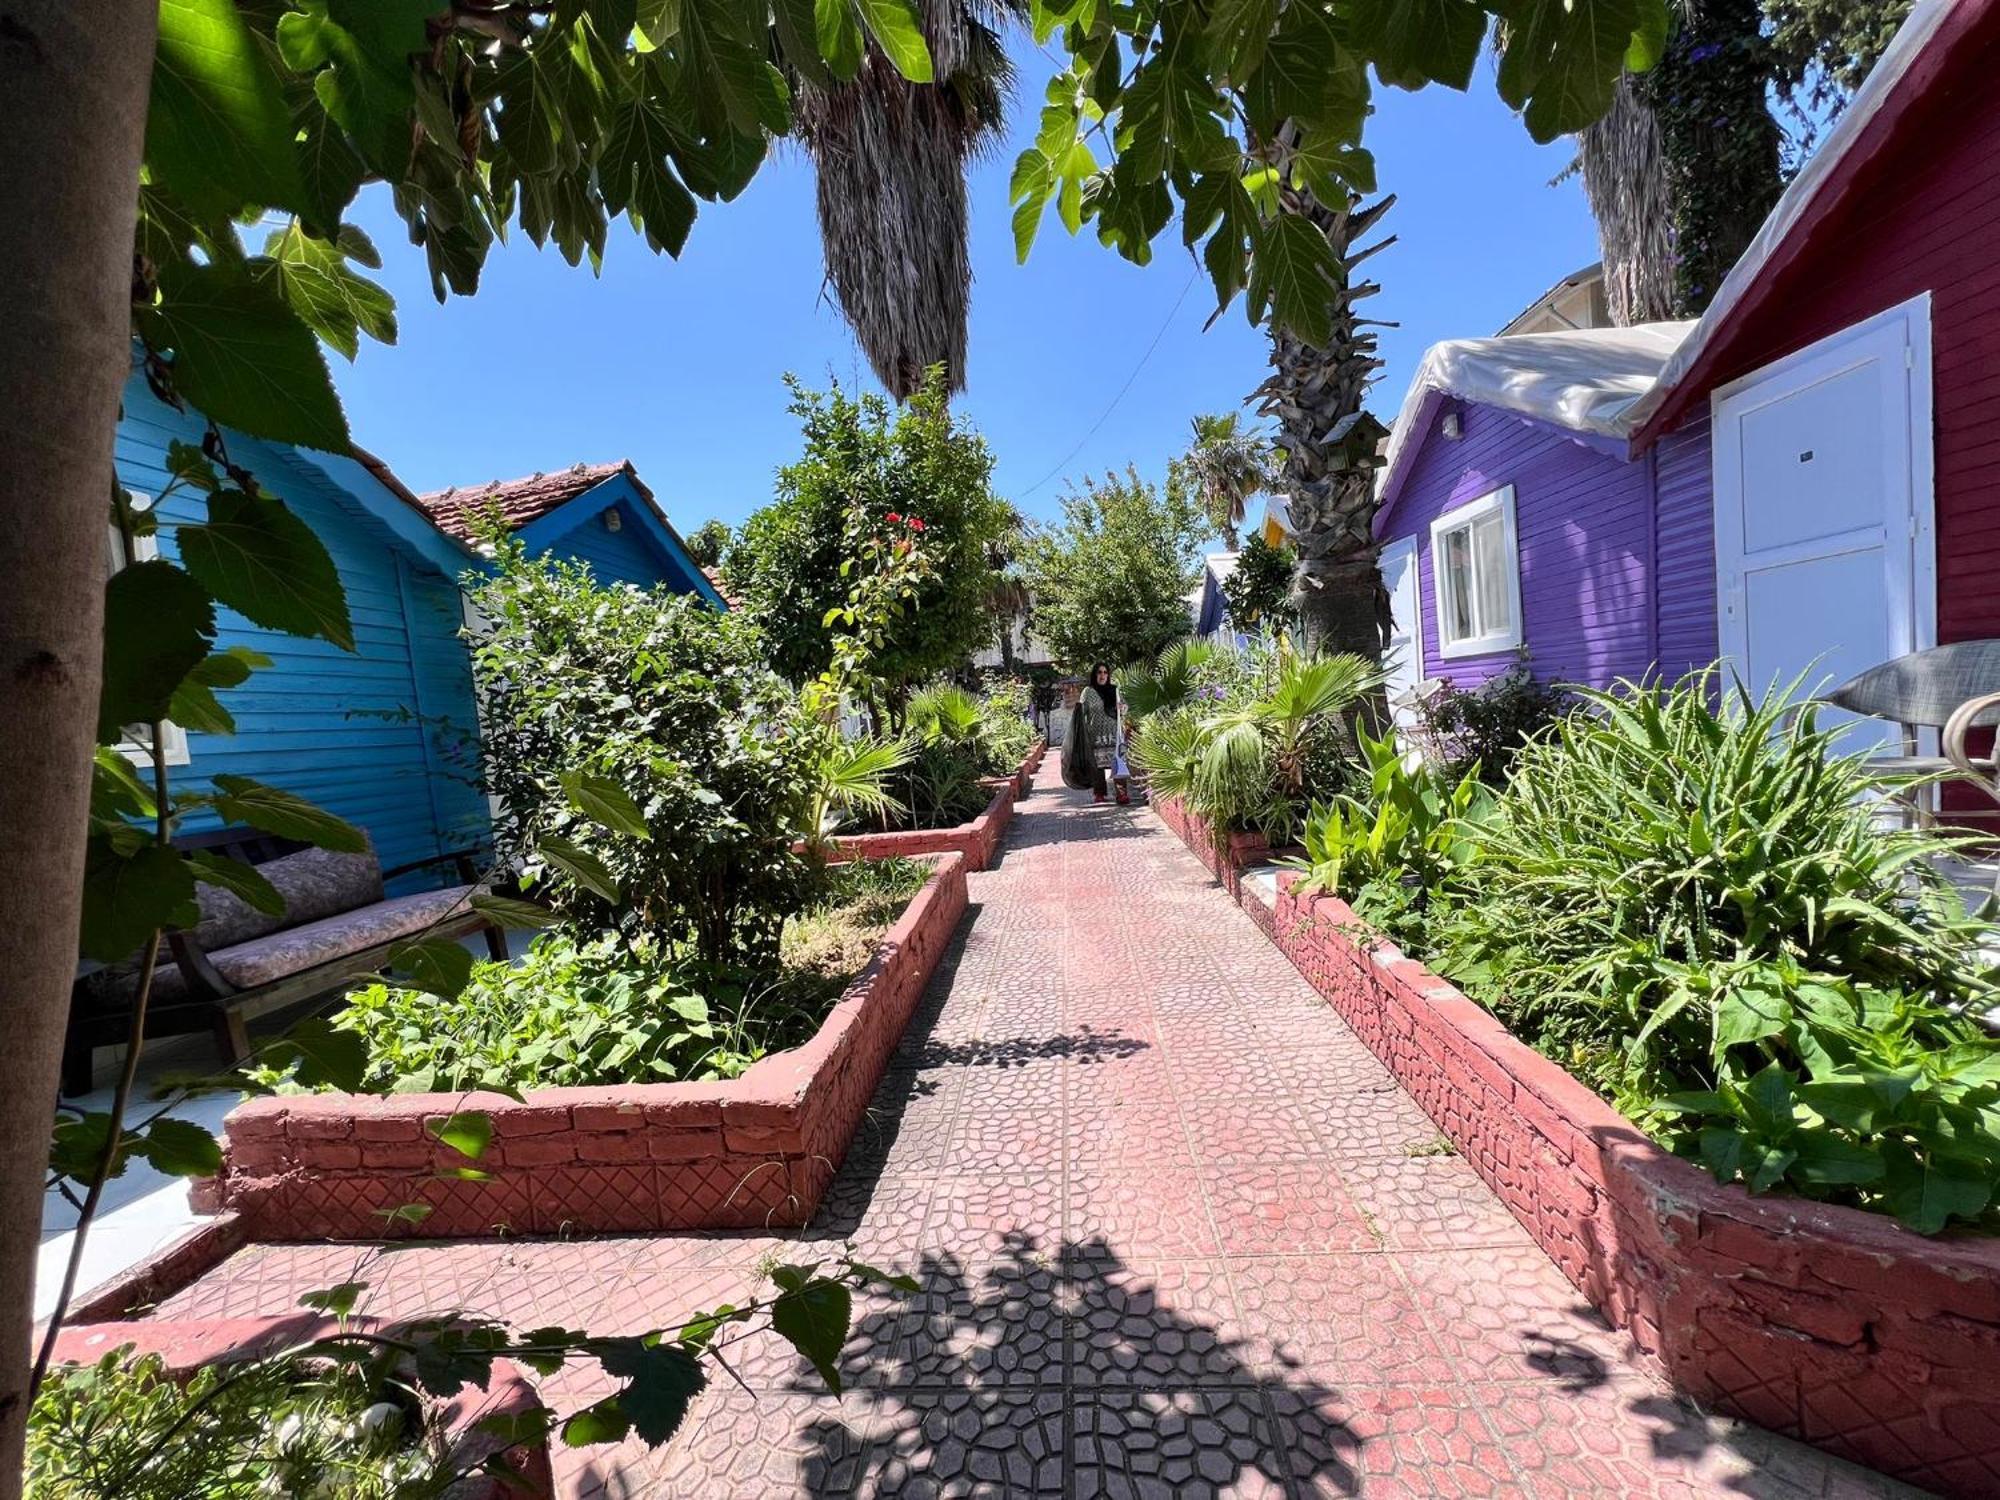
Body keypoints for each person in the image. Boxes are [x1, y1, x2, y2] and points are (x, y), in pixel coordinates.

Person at [1060, 663, 1129, 804]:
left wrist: (1122, 707)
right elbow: (1081, 712)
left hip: (1114, 734)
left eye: (1105, 672)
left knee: (1118, 763)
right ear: (1095, 675)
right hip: (1095, 736)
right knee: (1097, 766)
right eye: (1099, 672)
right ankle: (1099, 793)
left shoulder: (1115, 690)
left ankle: (1121, 794)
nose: (1102, 675)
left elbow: (1125, 708)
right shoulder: (1088, 691)